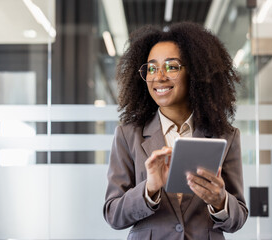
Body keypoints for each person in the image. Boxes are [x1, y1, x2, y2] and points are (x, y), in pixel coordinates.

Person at [103, 22, 248, 240]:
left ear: (196, 71)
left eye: (171, 66)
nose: (159, 77)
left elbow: (238, 218)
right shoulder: (128, 135)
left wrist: (220, 200)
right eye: (151, 68)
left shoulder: (225, 136)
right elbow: (113, 214)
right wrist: (149, 189)